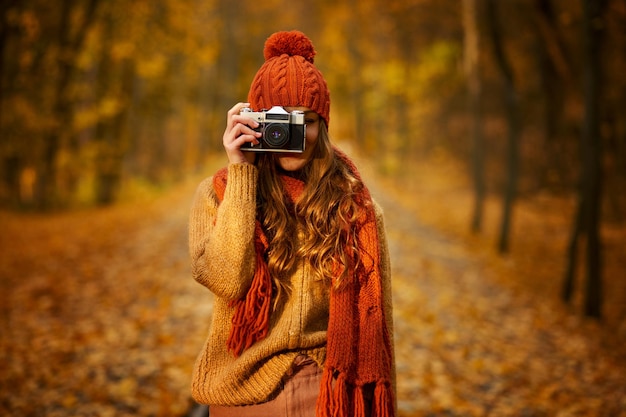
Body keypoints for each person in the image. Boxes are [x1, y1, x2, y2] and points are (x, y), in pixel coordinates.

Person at [188, 30, 396, 417]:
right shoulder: (218, 194)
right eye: (279, 121)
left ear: (324, 126)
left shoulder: (358, 209)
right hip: (244, 392)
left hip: (328, 391)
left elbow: (378, 335)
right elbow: (228, 280)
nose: (292, 137)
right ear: (255, 122)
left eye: (306, 121)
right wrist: (242, 172)